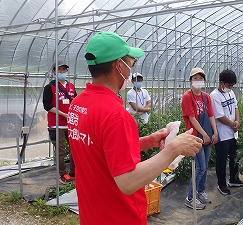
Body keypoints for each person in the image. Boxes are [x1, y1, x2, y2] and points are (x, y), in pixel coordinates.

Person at [67, 31, 202, 225]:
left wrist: (146, 142)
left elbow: (101, 149)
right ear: (118, 65)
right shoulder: (115, 114)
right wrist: (174, 150)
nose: (131, 69)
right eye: (130, 62)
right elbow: (127, 182)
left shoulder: (78, 104)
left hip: (92, 214)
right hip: (119, 216)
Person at [181, 68, 218, 210]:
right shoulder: (187, 97)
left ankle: (200, 191)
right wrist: (204, 135)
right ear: (190, 81)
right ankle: (190, 198)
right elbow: (192, 119)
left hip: (207, 135)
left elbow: (210, 115)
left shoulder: (206, 97)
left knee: (205, 165)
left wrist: (215, 132)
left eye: (200, 79)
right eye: (195, 78)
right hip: (195, 136)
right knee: (200, 167)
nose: (198, 81)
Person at [210, 69, 243, 195]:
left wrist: (237, 121)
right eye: (229, 85)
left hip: (232, 132)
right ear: (221, 83)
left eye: (232, 85)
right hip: (222, 133)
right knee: (222, 159)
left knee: (235, 156)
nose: (231, 88)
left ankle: (233, 179)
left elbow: (236, 107)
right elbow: (219, 116)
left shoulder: (231, 93)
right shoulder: (214, 96)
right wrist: (233, 124)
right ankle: (222, 184)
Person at [43, 60, 76, 185]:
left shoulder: (71, 86)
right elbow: (47, 105)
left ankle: (73, 172)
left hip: (70, 124)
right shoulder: (50, 87)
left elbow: (76, 102)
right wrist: (64, 115)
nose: (62, 72)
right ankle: (63, 175)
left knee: (75, 149)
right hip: (55, 124)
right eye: (59, 70)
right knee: (60, 151)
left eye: (64, 70)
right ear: (54, 72)